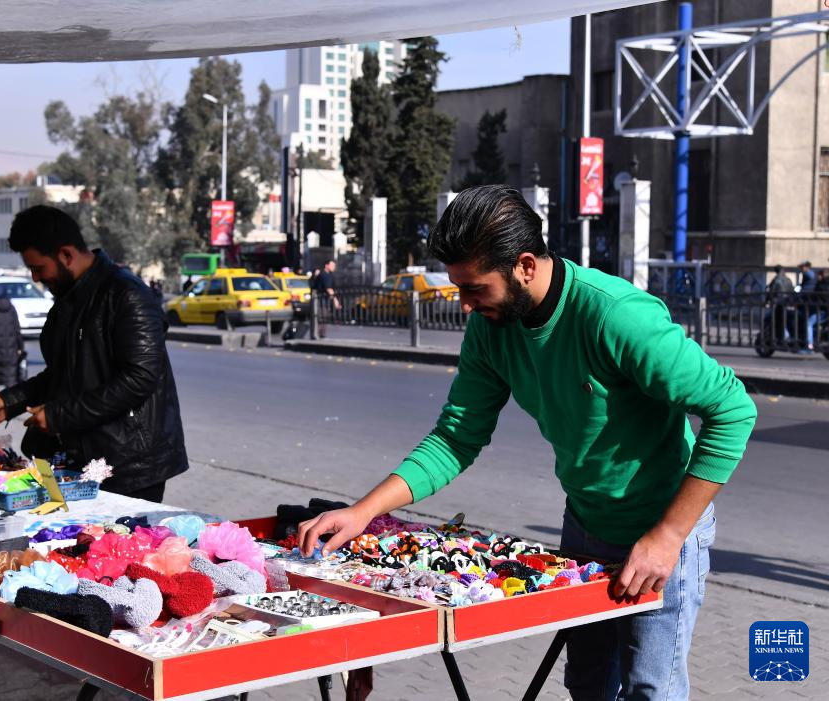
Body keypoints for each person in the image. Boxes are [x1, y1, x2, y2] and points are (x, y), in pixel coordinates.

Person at [298, 186, 757, 700]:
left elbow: (733, 409)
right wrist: (363, 512)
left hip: (664, 529)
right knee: (587, 685)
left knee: (652, 689)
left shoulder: (616, 316)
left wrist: (669, 536)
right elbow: (456, 436)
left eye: (475, 289)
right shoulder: (492, 327)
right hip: (585, 527)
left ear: (524, 266)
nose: (467, 306)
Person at [0, 205, 189, 502]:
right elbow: (63, 372)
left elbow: (139, 377)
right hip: (82, 456)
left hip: (129, 466)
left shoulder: (127, 295)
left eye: (39, 268)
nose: (36, 278)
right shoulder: (69, 298)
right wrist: (9, 402)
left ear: (66, 255)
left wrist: (59, 415)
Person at [0, 296, 24, 390]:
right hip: (11, 353)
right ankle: (11, 404)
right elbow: (17, 330)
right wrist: (21, 347)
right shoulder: (11, 308)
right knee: (11, 384)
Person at [312, 260, 341, 338]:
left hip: (324, 300)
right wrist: (335, 301)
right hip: (321, 300)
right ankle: (318, 335)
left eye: (334, 266)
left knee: (323, 317)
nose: (334, 267)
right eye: (332, 265)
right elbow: (329, 289)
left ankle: (320, 335)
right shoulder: (324, 275)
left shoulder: (328, 275)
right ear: (326, 265)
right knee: (321, 317)